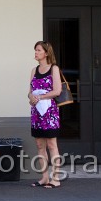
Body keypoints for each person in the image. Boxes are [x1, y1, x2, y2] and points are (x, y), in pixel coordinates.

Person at [28, 40, 63, 189]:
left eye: (38, 50)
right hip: (36, 112)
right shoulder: (34, 70)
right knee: (39, 145)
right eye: (35, 50)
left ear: (46, 53)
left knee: (51, 144)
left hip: (50, 112)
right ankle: (44, 177)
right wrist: (31, 98)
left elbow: (57, 91)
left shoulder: (53, 68)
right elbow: (29, 92)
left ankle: (56, 178)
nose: (36, 53)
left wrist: (41, 97)